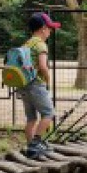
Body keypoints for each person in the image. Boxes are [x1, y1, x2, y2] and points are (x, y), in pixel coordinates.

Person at [16, 13, 60, 159]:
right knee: (49, 113)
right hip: (36, 84)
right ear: (42, 29)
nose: (50, 31)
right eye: (49, 28)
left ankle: (30, 146)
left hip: (23, 85)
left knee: (31, 118)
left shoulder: (26, 44)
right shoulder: (41, 45)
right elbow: (42, 65)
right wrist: (48, 79)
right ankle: (36, 143)